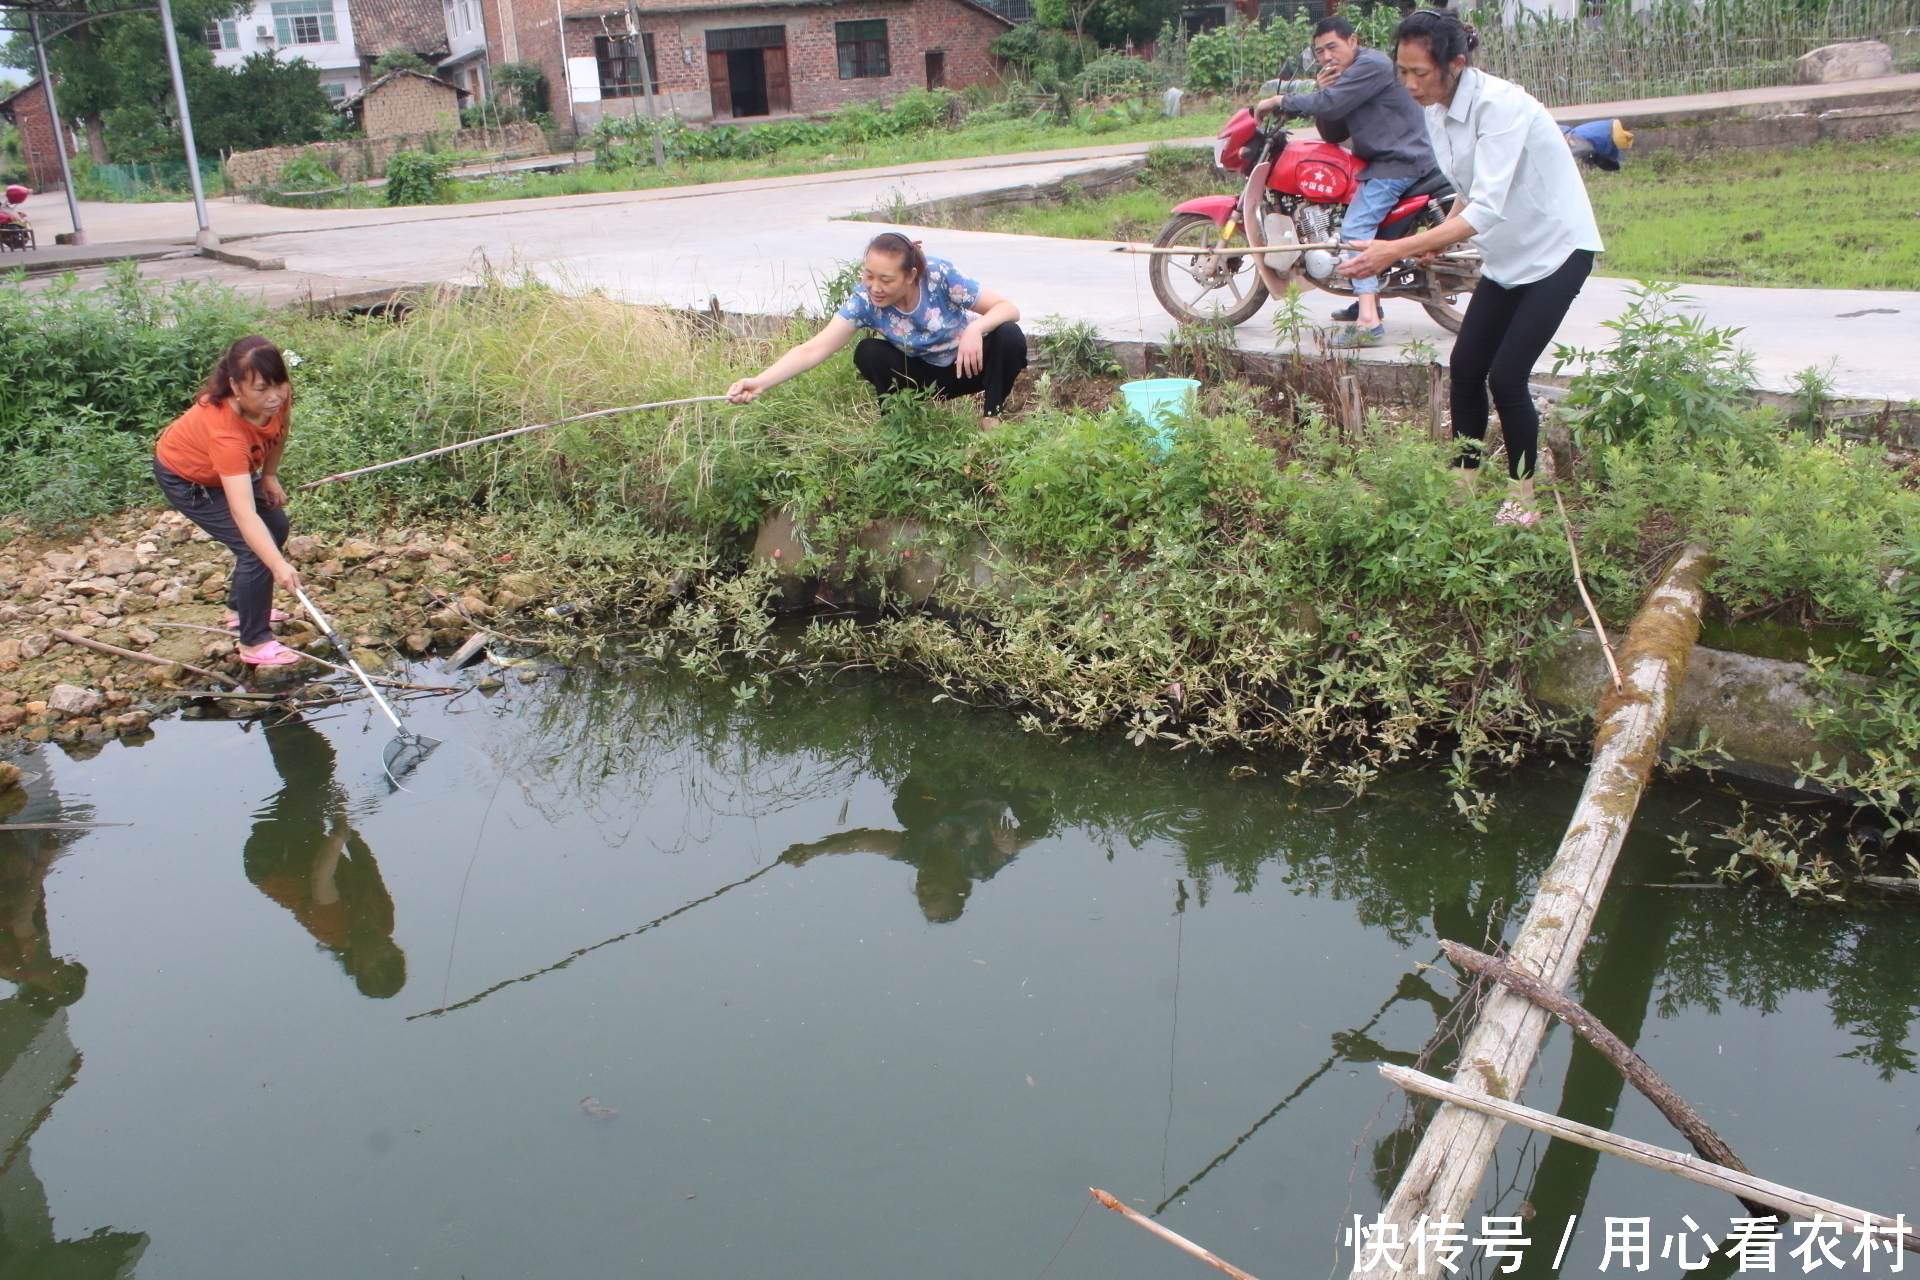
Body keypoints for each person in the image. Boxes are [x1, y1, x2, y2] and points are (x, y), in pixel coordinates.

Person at [1339, 9, 1604, 525]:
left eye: (1420, 72)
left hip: (1558, 252)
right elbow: (1470, 191)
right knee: (1465, 367)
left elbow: (1487, 209)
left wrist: (1395, 248)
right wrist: (1439, 239)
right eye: (1403, 71)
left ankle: (1523, 497)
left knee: (1507, 376)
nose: (1410, 84)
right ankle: (1463, 481)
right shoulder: (1437, 111)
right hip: (1508, 257)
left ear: (1455, 64)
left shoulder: (1500, 106)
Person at [1254, 15, 1437, 348]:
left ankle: (1369, 322)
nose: (1326, 57)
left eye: (1332, 47)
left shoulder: (1372, 64)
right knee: (1345, 217)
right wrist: (1326, 94)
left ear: (1352, 41)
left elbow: (1331, 103)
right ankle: (1366, 297)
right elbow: (1334, 131)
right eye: (1320, 51)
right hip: (1382, 161)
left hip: (1398, 162)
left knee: (1354, 232)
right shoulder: (1348, 78)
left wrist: (1280, 101)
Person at [727, 232, 1027, 427]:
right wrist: (760, 382)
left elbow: (1007, 308)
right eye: (869, 276)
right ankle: (898, 424)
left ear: (911, 275)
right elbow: (813, 349)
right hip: (921, 376)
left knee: (1008, 334)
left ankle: (991, 418)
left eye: (886, 279)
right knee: (868, 351)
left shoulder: (938, 274)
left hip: (968, 367)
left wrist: (976, 330)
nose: (875, 287)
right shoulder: (865, 301)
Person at [152, 336, 305, 665]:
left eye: (279, 384)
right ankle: (254, 643)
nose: (274, 396)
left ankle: (239, 609)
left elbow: (279, 431)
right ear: (235, 386)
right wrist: (278, 565)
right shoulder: (225, 431)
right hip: (190, 477)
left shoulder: (275, 399)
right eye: (261, 389)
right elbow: (244, 513)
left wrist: (269, 475)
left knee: (276, 525)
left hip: (231, 470)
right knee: (255, 550)